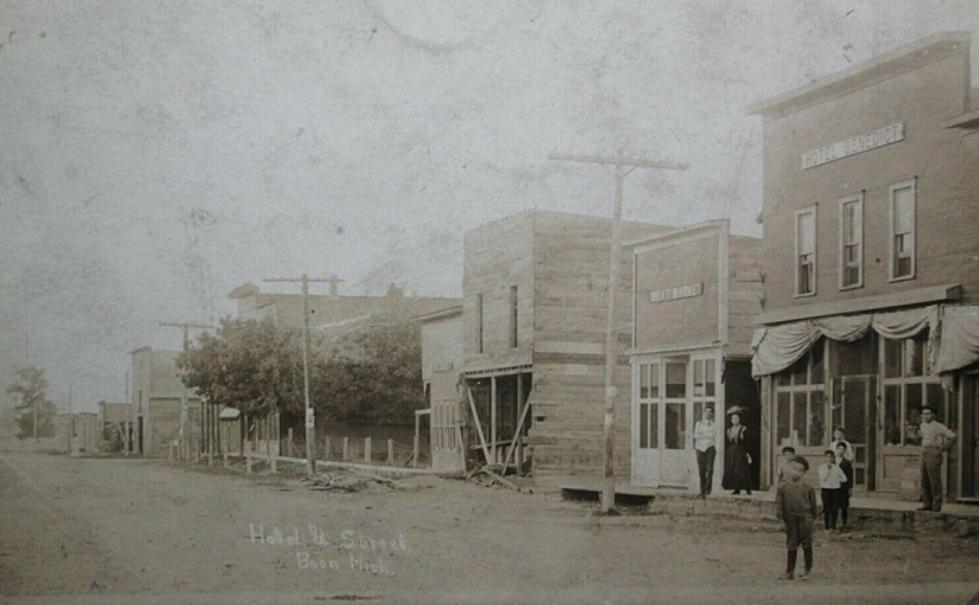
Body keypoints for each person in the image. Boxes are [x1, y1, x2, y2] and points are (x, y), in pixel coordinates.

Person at [776, 455, 817, 580]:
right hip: (790, 520)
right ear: (788, 469)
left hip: (805, 519)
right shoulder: (782, 487)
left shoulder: (808, 487)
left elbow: (813, 506)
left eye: (800, 470)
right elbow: (779, 505)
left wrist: (811, 520)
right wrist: (781, 521)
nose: (796, 472)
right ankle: (789, 571)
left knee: (806, 544)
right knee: (791, 544)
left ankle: (807, 571)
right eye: (794, 468)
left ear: (804, 472)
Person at [918, 405, 956, 512]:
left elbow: (953, 436)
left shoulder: (939, 426)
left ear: (933, 415)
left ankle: (936, 504)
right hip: (924, 451)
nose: (925, 416)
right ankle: (927, 503)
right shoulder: (922, 425)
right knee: (924, 479)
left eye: (928, 414)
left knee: (934, 479)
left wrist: (943, 448)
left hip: (933, 452)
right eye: (923, 414)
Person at [722, 411, 752, 495]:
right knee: (733, 469)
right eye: (733, 418)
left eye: (736, 418)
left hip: (741, 450)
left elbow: (748, 442)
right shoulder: (729, 430)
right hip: (732, 450)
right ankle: (736, 488)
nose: (734, 420)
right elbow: (728, 442)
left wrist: (747, 453)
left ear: (739, 419)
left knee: (742, 469)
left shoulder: (743, 429)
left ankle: (747, 488)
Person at [817, 449, 847, 530]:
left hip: (835, 490)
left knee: (835, 508)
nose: (829, 458)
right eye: (827, 457)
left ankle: (833, 526)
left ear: (833, 458)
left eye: (831, 457)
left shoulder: (837, 467)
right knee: (826, 508)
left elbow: (844, 478)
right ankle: (827, 526)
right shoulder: (821, 467)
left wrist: (837, 479)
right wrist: (828, 470)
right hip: (825, 489)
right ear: (825, 458)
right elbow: (822, 479)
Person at [694, 406, 718, 498]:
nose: (708, 414)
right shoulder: (698, 424)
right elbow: (696, 435)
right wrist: (706, 435)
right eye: (706, 412)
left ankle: (708, 490)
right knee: (701, 470)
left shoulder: (714, 424)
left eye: (710, 412)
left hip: (710, 448)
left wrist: (703, 434)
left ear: (712, 414)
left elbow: (713, 435)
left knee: (710, 469)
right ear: (703, 413)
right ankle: (702, 491)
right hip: (700, 449)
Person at [835, 442, 854, 530]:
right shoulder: (832, 461)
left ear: (845, 451)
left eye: (842, 449)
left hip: (843, 487)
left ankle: (844, 523)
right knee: (833, 505)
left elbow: (850, 476)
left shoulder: (846, 462)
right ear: (836, 449)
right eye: (839, 448)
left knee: (843, 505)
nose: (840, 451)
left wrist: (850, 488)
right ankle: (833, 523)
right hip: (833, 487)